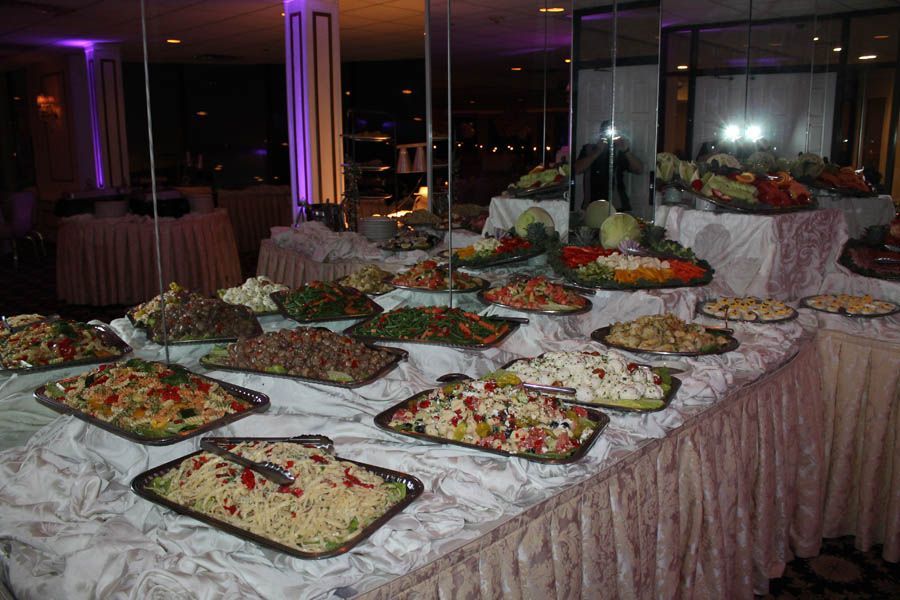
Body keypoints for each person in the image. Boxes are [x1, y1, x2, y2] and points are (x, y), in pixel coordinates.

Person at [574, 120, 643, 211]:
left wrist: (626, 151)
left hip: (618, 206)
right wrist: (597, 151)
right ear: (601, 133)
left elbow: (639, 169)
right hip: (592, 206)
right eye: (607, 131)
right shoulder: (589, 149)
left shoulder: (620, 151)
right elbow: (577, 169)